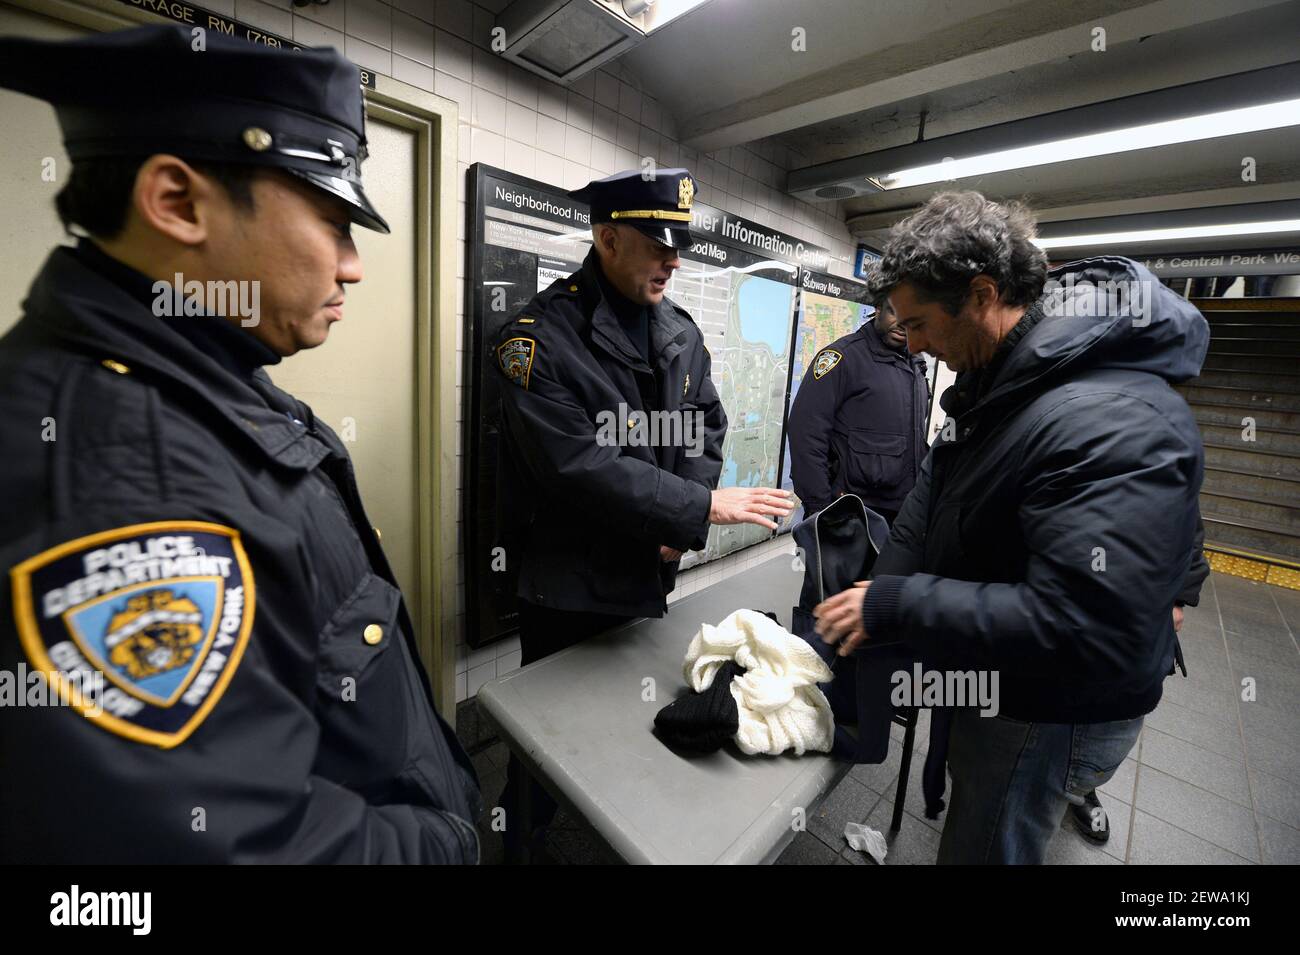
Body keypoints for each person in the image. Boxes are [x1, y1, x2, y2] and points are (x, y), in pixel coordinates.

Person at [0, 25, 480, 863]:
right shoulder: (117, 477)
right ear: (178, 202)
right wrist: (447, 843)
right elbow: (229, 849)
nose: (353, 265)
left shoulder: (203, 370)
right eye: (333, 220)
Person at [813, 191, 1208, 864]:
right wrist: (876, 595)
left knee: (986, 844)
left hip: (1047, 706)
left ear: (983, 294)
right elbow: (934, 494)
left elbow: (1078, 618)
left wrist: (898, 602)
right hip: (1002, 670)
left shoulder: (1098, 412)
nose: (912, 344)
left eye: (920, 323)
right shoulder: (1004, 383)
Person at [492, 168, 793, 856]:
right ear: (607, 239)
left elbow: (705, 427)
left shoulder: (679, 333)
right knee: (546, 739)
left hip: (645, 573)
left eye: (678, 245)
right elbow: (577, 467)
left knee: (630, 722)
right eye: (658, 243)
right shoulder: (538, 341)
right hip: (568, 586)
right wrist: (693, 508)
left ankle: (616, 832)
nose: (674, 260)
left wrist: (674, 527)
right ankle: (522, 839)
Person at [787, 298, 929, 524]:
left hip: (901, 513)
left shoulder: (916, 363)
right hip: (850, 514)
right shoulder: (842, 358)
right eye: (895, 312)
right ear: (878, 308)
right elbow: (806, 435)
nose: (903, 323)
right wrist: (821, 510)